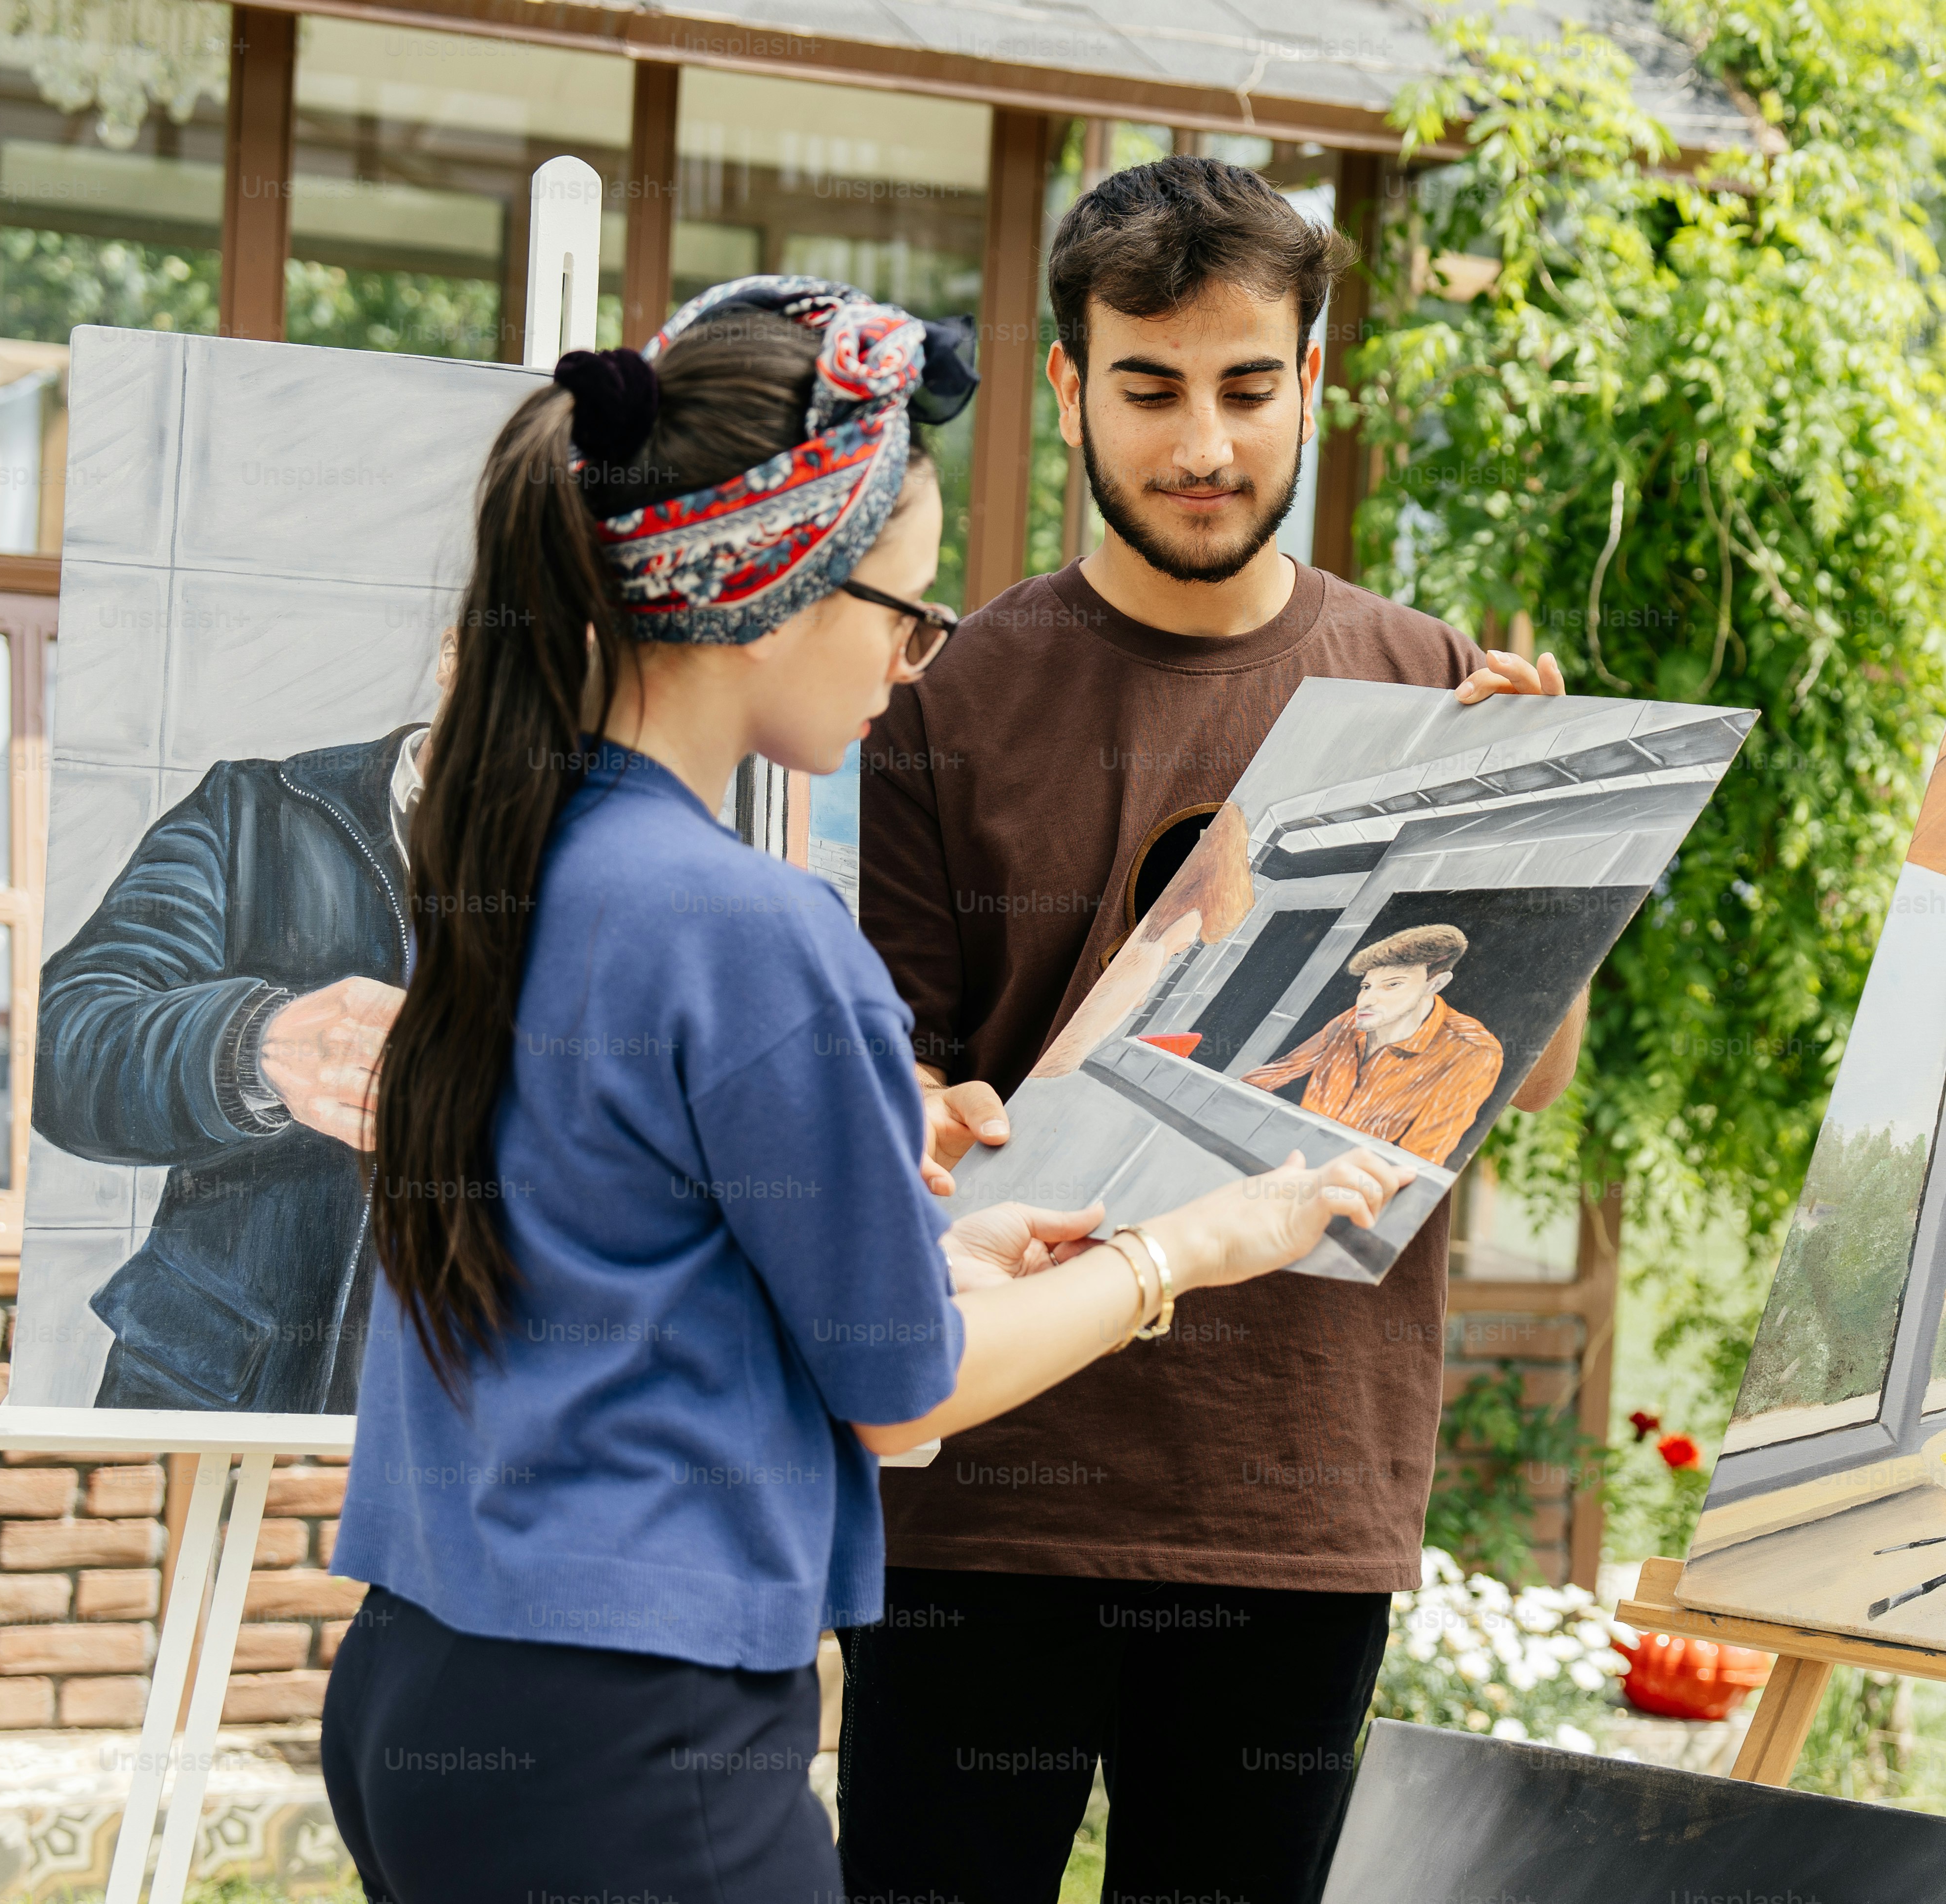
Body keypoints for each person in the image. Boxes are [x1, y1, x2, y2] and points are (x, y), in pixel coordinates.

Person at [318, 275, 1414, 1904]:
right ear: (769, 591)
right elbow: (903, 1386)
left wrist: (941, 1252)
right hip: (636, 1727)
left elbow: (627, 1259)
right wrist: (1192, 1247)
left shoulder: (514, 863)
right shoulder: (754, 928)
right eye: (901, 606)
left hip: (426, 1678)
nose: (913, 661)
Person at [846, 157, 1583, 1904]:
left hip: (1293, 1488)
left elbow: (1510, 1083)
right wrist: (943, 1109)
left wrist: (1534, 846)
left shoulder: (1426, 685)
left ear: (1312, 383)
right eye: (1151, 387)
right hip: (990, 1491)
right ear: (1069, 385)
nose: (1204, 443)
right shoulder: (948, 697)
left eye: (1249, 388)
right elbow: (899, 1068)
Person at [35, 717, 426, 1413]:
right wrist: (253, 1045)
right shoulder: (254, 810)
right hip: (222, 1391)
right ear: (454, 653)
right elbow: (63, 1041)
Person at [1243, 923, 1506, 1166]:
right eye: (1366, 986)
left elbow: (1422, 1158)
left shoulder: (1472, 1051)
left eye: (1392, 985)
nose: (1366, 1000)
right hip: (1289, 1158)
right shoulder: (1354, 1020)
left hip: (1353, 1186)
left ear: (1435, 984)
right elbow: (1281, 1071)